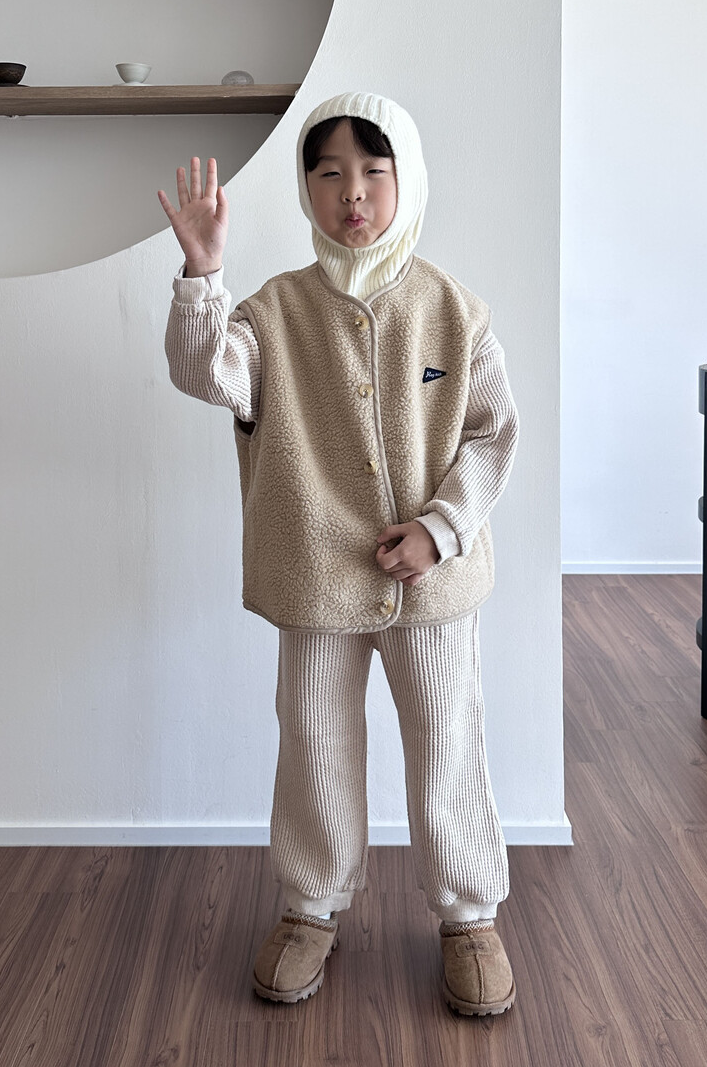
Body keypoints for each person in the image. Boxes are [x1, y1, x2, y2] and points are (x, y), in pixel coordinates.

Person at [161, 91, 519, 1017]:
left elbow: (492, 435)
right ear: (306, 188)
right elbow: (205, 372)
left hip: (436, 586)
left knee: (447, 738)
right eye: (328, 173)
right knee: (315, 740)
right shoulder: (272, 311)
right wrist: (202, 273)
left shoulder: (455, 310)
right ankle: (309, 907)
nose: (351, 192)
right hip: (314, 577)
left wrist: (441, 528)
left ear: (407, 180)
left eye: (372, 170)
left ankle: (469, 915)